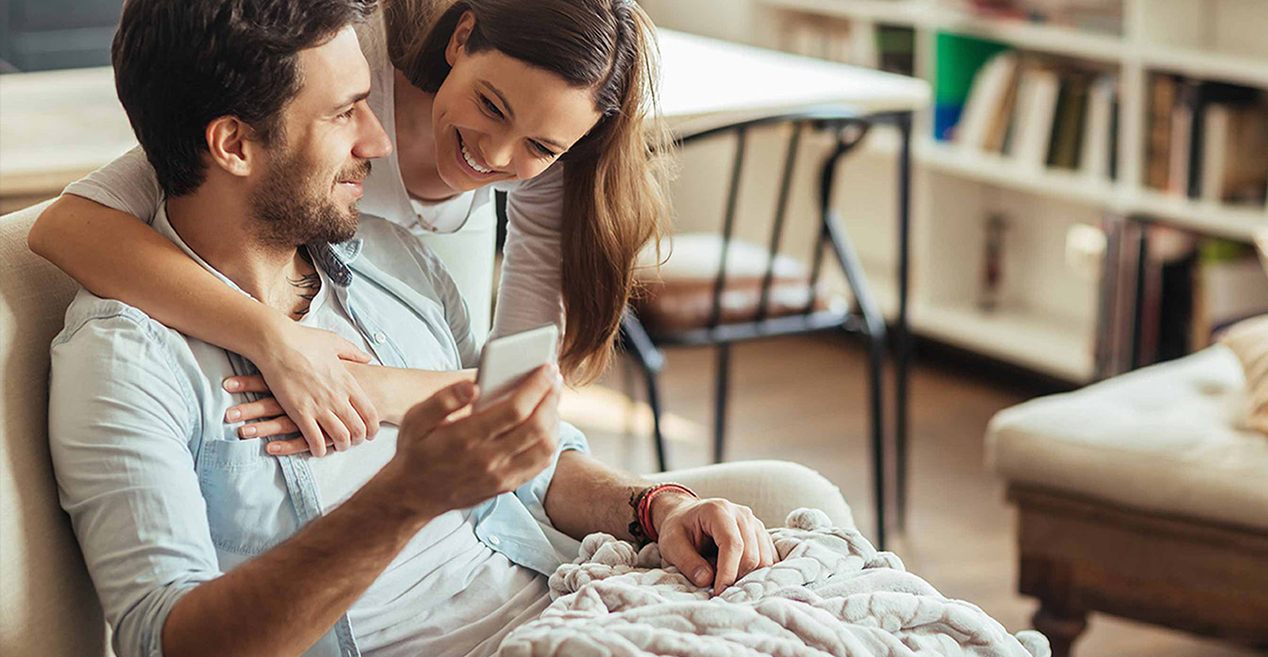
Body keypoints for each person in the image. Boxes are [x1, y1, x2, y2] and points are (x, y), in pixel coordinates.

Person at [47, 1, 773, 656]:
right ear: (235, 144)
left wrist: (655, 506)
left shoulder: (395, 262)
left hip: (568, 603)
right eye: (346, 111)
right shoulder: (128, 359)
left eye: (371, 103)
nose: (384, 139)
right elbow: (164, 640)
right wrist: (406, 493)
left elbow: (528, 440)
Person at [29, 0, 670, 458]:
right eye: (490, 106)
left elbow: (510, 395)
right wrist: (272, 337)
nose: (499, 159)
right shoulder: (343, 69)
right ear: (460, 39)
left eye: (540, 147)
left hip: (405, 281)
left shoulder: (549, 141)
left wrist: (374, 388)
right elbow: (67, 226)